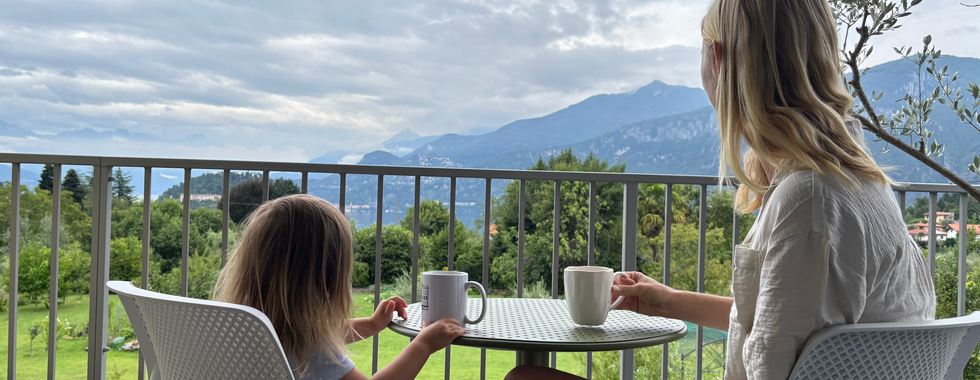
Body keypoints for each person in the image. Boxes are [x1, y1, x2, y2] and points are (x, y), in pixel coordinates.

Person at [506, 0, 935, 379]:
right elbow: (782, 328)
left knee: (525, 379)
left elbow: (770, 361)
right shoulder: (859, 184)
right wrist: (668, 301)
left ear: (717, 57)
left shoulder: (809, 203)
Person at [213, 194, 466, 380]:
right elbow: (315, 344)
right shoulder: (309, 354)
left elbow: (315, 335)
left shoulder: (244, 327)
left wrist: (372, 324)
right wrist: (423, 345)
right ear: (323, 280)